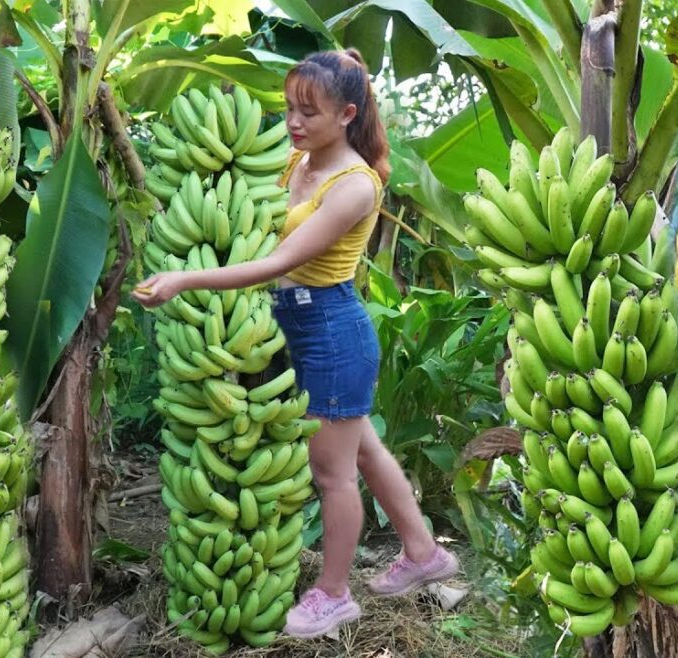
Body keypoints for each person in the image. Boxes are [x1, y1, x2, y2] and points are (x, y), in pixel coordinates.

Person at [133, 49, 459, 639]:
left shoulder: (355, 185)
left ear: (348, 114)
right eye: (289, 108)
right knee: (363, 450)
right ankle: (422, 551)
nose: (293, 121)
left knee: (331, 472)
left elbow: (278, 260)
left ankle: (334, 594)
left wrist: (185, 279)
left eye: (309, 111)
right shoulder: (294, 162)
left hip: (331, 330)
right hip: (293, 321)